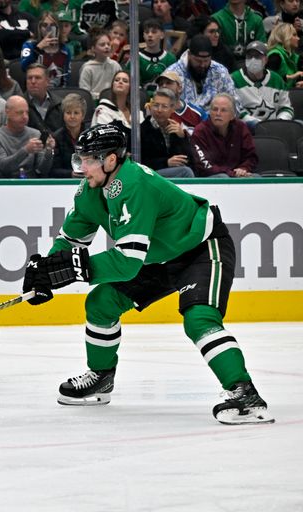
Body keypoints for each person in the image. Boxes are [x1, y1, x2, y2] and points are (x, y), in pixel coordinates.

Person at [21, 123, 273, 425]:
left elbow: (126, 262)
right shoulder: (89, 190)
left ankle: (244, 393)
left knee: (199, 319)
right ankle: (101, 377)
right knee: (101, 302)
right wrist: (47, 270)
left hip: (200, 248)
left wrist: (73, 270)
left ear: (111, 160)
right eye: (81, 159)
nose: (82, 168)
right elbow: (71, 241)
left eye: (89, 160)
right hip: (156, 258)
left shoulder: (134, 183)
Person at [191, 92, 258, 177]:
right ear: (210, 112)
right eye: (215, 109)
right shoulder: (200, 131)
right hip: (210, 177)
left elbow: (251, 156)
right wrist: (231, 173)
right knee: (223, 177)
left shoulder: (241, 127)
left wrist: (244, 168)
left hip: (238, 174)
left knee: (256, 177)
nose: (218, 113)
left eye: (223, 110)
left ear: (233, 115)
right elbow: (204, 165)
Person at [0, 94, 54, 178]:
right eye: (19, 113)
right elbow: (4, 166)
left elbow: (42, 170)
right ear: (7, 112)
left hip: (31, 182)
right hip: (6, 182)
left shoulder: (35, 134)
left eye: (27, 112)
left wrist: (48, 151)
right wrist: (26, 150)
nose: (25, 117)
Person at [165, 34, 236, 112]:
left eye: (206, 61)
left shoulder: (220, 72)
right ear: (189, 55)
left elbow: (234, 103)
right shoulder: (172, 74)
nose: (202, 65)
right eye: (198, 61)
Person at [232, 40, 294, 130]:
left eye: (257, 56)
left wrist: (281, 121)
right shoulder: (234, 79)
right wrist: (257, 124)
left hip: (276, 127)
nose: (253, 60)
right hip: (246, 129)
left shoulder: (277, 80)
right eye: (249, 56)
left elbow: (286, 107)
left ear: (266, 59)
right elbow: (234, 109)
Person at [140, 88, 195, 177]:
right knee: (186, 172)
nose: (159, 110)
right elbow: (140, 163)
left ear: (172, 109)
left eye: (164, 106)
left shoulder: (176, 128)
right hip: (151, 175)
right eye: (156, 105)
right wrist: (166, 162)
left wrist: (182, 138)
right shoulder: (142, 130)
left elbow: (190, 160)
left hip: (173, 175)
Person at [20, 11, 71, 87]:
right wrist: (38, 49)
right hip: (35, 89)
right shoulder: (29, 45)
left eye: (52, 25)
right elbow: (24, 68)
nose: (48, 29)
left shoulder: (65, 49)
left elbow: (67, 76)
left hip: (58, 91)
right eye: (45, 25)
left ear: (58, 28)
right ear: (39, 28)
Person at [91, 71, 143, 143]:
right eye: (117, 80)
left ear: (130, 88)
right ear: (112, 85)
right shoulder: (103, 110)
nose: (120, 82)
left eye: (125, 81)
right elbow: (107, 137)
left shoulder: (137, 113)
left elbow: (143, 136)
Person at [124, 19, 177, 88]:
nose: (150, 35)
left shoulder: (170, 58)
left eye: (154, 32)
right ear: (143, 35)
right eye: (146, 32)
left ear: (162, 35)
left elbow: (174, 83)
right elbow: (132, 86)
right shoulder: (136, 59)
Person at [155, 70, 206, 136]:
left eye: (168, 83)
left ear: (179, 88)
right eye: (161, 84)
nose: (164, 86)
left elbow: (208, 137)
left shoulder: (198, 113)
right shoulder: (156, 112)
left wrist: (184, 135)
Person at [48, 91, 86, 179]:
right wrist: (70, 174)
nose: (72, 116)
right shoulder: (56, 137)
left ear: (83, 116)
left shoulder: (90, 136)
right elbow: (53, 170)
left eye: (76, 113)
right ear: (63, 115)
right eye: (68, 113)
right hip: (65, 183)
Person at [79, 28, 121, 101]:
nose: (107, 47)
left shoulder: (115, 65)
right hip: (94, 103)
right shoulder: (87, 68)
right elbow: (85, 93)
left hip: (113, 102)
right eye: (102, 45)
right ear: (93, 49)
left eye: (108, 44)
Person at [23, 62, 62, 138]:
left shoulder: (60, 104)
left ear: (47, 81)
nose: (33, 81)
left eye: (37, 78)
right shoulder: (18, 106)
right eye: (30, 78)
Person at [266, 22, 303, 88]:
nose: (298, 38)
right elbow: (269, 81)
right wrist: (292, 77)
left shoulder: (294, 56)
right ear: (284, 37)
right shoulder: (274, 56)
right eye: (294, 35)